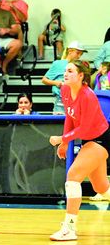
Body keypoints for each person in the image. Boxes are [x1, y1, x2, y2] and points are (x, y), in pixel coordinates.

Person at [48, 60, 110, 241]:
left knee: (73, 175)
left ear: (81, 76)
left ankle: (69, 228)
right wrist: (65, 142)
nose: (65, 74)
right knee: (101, 187)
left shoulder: (88, 95)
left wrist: (62, 139)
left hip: (102, 139)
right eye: (65, 71)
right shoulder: (65, 89)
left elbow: (84, 128)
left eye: (70, 71)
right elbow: (70, 117)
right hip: (89, 139)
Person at [42, 41, 87, 114]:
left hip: (75, 100)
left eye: (81, 54)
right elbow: (44, 80)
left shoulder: (78, 66)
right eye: (78, 53)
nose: (79, 56)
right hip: (61, 99)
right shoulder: (58, 64)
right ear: (70, 51)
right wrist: (56, 83)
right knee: (59, 123)